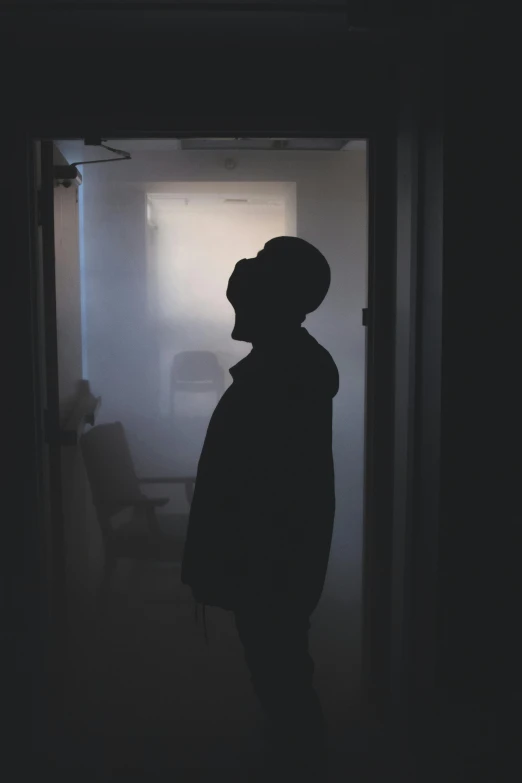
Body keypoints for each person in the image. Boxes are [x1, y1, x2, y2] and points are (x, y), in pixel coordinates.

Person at [181, 236, 339, 779]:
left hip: (272, 564)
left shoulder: (285, 374)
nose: (238, 297)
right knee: (279, 671)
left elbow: (268, 489)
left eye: (248, 293)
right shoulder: (286, 364)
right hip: (274, 563)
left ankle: (301, 765)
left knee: (282, 677)